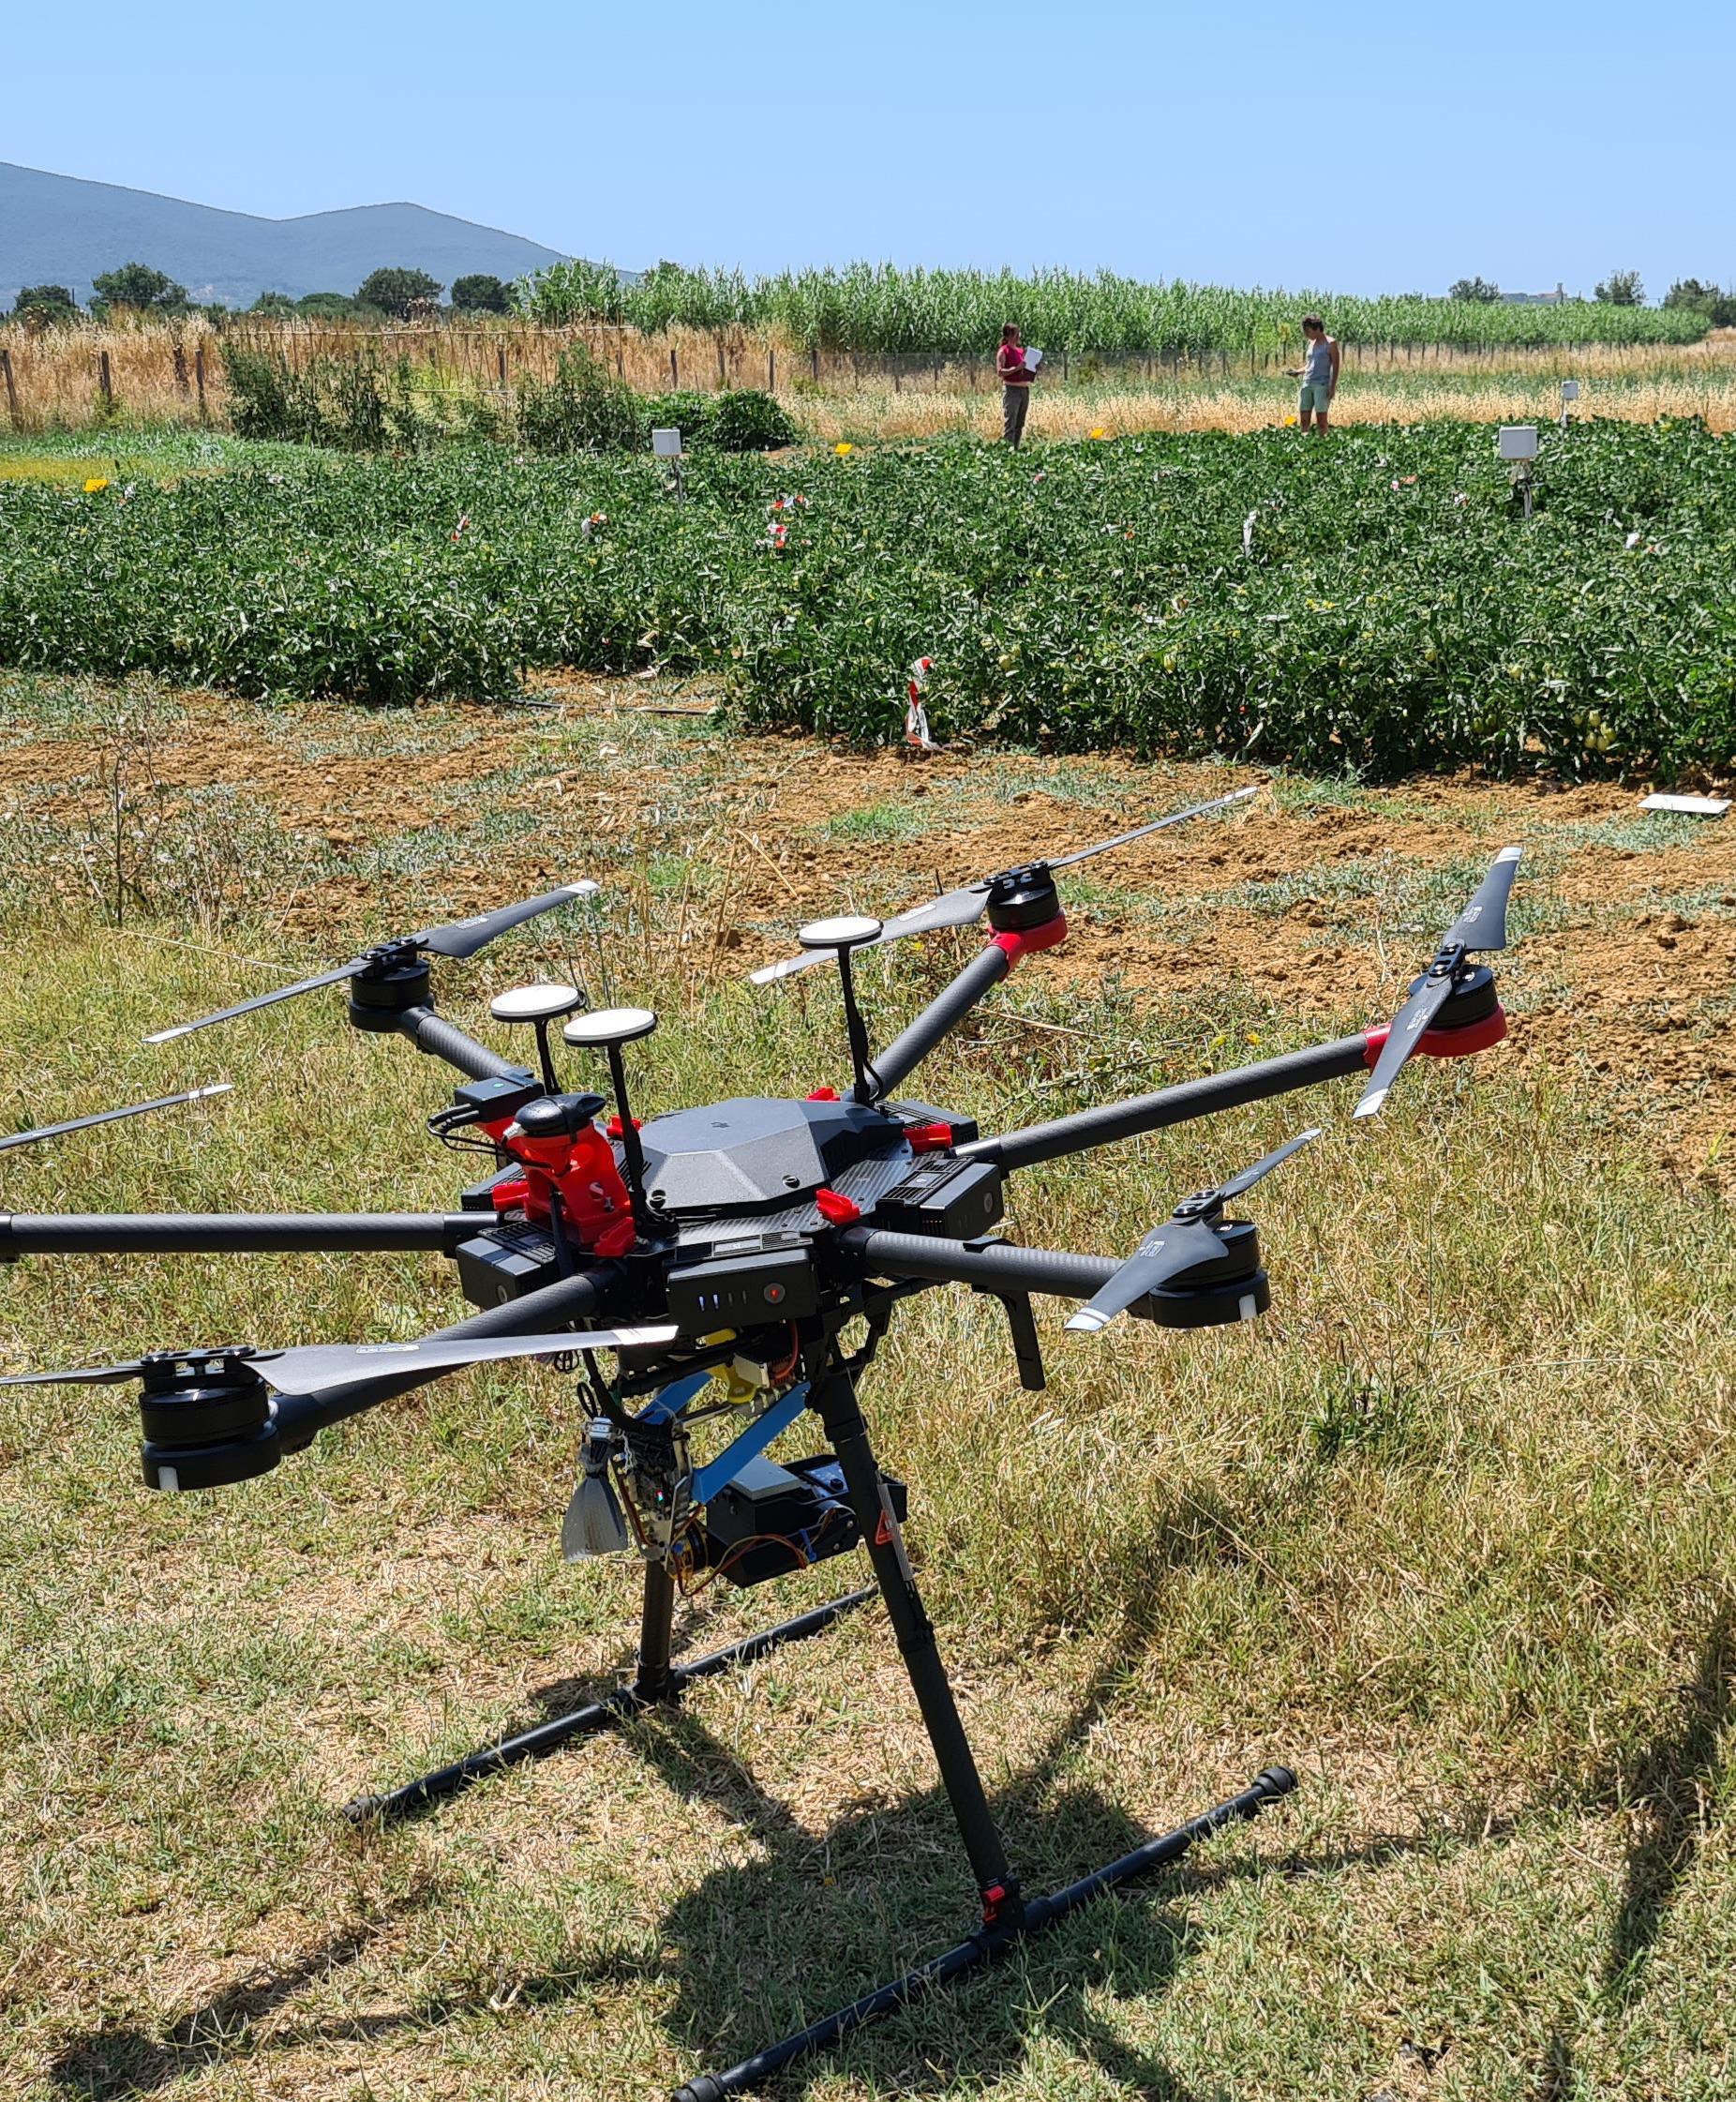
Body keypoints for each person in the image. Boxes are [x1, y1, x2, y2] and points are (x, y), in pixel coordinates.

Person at [1285, 315, 1340, 435]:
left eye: (1307, 331)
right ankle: (1305, 444)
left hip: (1321, 384)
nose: (1306, 334)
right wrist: (1297, 371)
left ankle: (1324, 443)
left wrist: (1332, 387)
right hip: (1307, 383)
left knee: (1321, 420)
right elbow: (1310, 365)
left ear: (1317, 329)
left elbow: (1335, 366)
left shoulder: (1331, 343)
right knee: (1304, 419)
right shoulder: (1311, 344)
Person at [997, 323, 1035, 447]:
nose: (1019, 336)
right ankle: (1007, 451)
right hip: (1011, 390)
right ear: (1009, 336)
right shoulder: (1003, 351)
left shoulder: (1020, 351)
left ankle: (1016, 449)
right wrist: (1016, 368)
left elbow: (1024, 368)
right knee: (1010, 424)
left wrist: (1034, 367)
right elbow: (1000, 372)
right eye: (1016, 333)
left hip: (1024, 390)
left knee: (1020, 424)